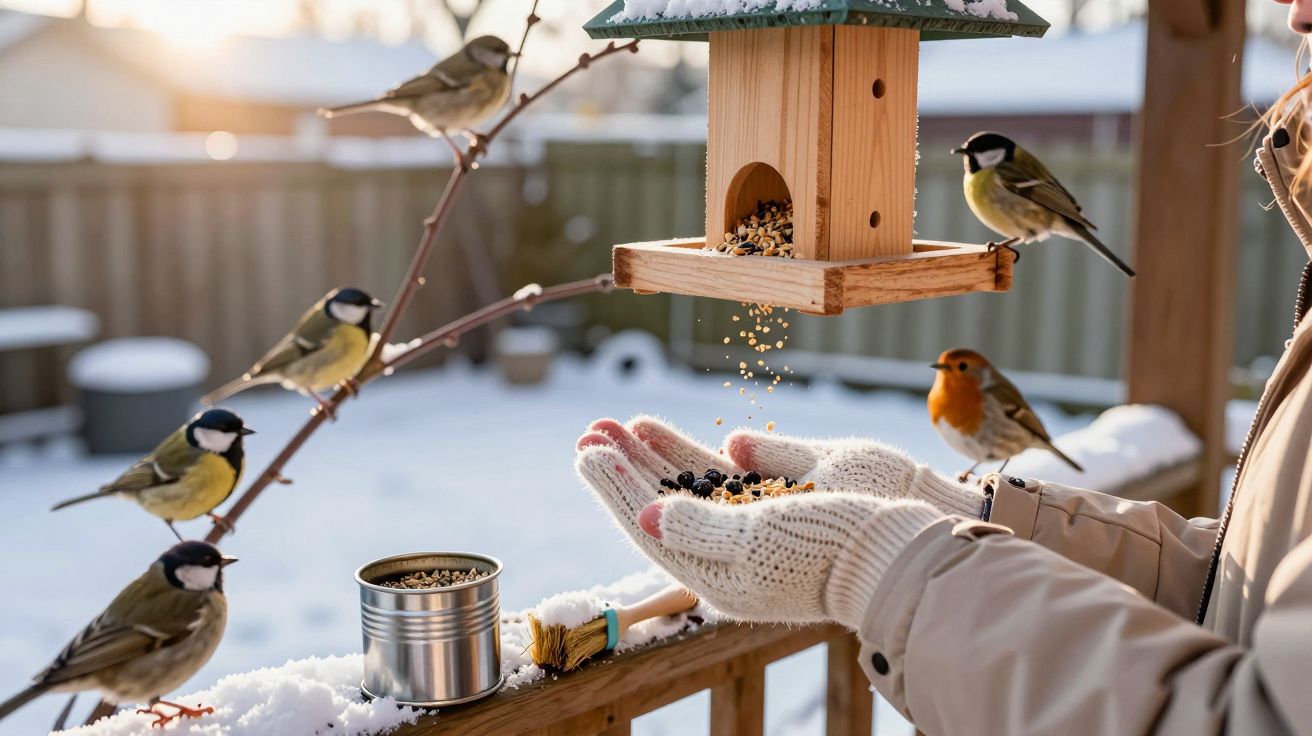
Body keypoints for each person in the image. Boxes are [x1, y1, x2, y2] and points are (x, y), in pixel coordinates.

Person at [574, 4, 1312, 732]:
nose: (1293, 9)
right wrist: (952, 508)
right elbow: (1235, 590)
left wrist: (887, 567)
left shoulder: (1013, 180)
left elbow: (1262, 715)